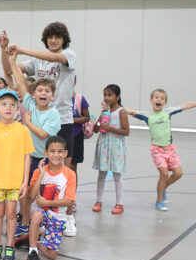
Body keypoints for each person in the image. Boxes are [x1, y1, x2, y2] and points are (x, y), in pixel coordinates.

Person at [2, 24, 78, 166]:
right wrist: (5, 50)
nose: (53, 40)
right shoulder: (36, 61)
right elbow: (10, 69)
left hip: (62, 119)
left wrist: (22, 50)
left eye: (57, 37)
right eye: (50, 37)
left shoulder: (69, 55)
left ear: (64, 40)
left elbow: (55, 58)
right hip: (40, 119)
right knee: (40, 163)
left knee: (63, 169)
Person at [6, 51, 60, 243]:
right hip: (26, 157)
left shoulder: (53, 115)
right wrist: (13, 61)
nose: (43, 93)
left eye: (47, 91)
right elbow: (20, 82)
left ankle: (42, 222)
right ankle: (25, 221)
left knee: (40, 192)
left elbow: (43, 134)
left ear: (52, 96)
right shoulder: (29, 102)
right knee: (25, 191)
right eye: (40, 90)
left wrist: (27, 123)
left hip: (43, 159)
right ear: (34, 94)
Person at [0, 89, 34, 260]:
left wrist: (25, 182)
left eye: (12, 104)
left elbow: (27, 157)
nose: (8, 108)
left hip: (15, 183)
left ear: (18, 107)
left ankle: (9, 245)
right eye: (3, 104)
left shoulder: (23, 130)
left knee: (11, 213)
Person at [126, 90, 195, 211]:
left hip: (170, 148)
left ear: (165, 102)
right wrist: (115, 105)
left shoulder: (168, 112)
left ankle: (163, 189)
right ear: (151, 100)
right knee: (164, 174)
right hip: (157, 150)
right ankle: (159, 200)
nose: (159, 99)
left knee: (178, 173)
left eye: (162, 98)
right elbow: (130, 111)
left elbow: (186, 106)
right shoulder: (147, 115)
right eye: (156, 97)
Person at [25, 136, 76, 260]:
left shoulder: (70, 174)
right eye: (52, 151)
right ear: (46, 153)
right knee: (36, 215)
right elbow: (31, 195)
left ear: (65, 153)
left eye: (60, 151)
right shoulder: (38, 171)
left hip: (57, 216)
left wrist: (47, 202)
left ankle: (34, 241)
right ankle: (32, 252)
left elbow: (69, 200)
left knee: (52, 255)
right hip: (40, 212)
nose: (56, 155)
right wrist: (41, 175)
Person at [92, 84, 129, 214]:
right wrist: (100, 119)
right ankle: (98, 200)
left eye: (110, 95)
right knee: (101, 174)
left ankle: (119, 204)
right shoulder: (105, 112)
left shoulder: (121, 112)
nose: (107, 98)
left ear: (117, 97)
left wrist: (110, 128)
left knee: (117, 175)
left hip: (116, 146)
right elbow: (96, 129)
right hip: (103, 145)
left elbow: (126, 131)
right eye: (105, 95)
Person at [68, 80, 90, 235]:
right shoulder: (54, 96)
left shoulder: (80, 99)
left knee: (72, 168)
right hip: (60, 134)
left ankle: (71, 199)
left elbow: (86, 117)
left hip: (76, 136)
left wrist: (72, 120)